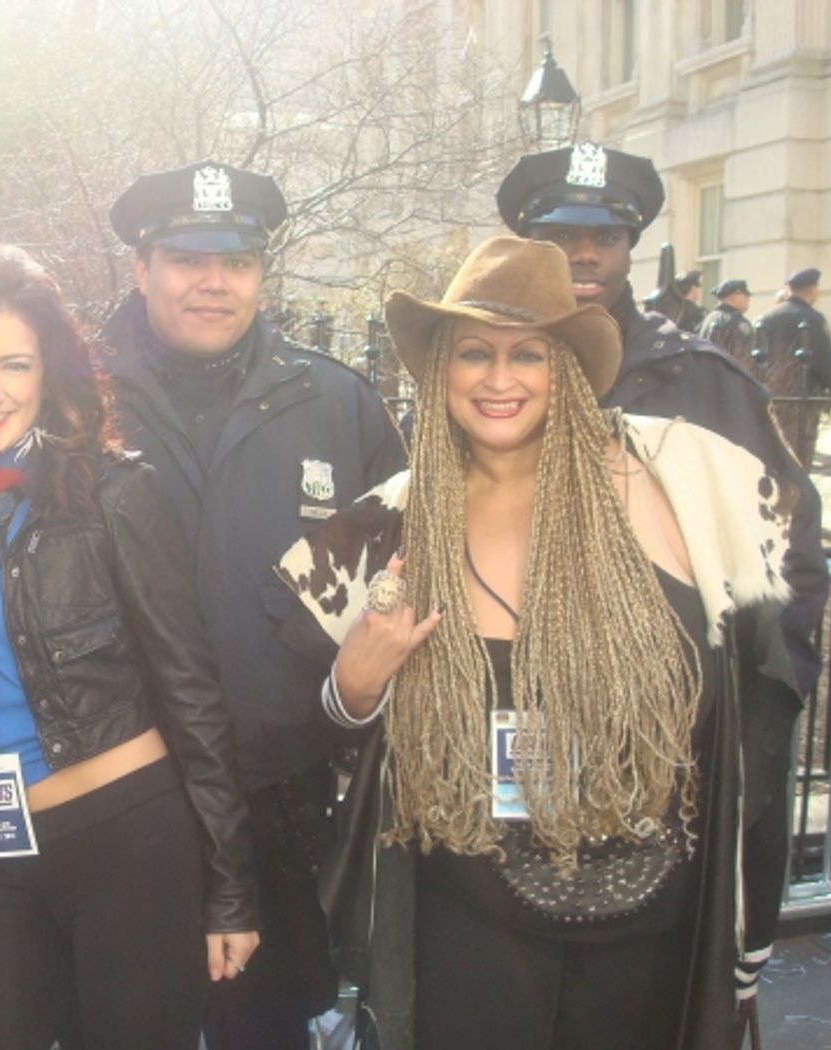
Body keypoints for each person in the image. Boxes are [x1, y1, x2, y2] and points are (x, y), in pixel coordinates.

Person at [277, 236, 797, 1049]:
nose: (498, 378)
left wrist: (751, 917)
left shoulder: (686, 483)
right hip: (468, 936)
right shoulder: (387, 526)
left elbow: (767, 698)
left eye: (528, 354)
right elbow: (325, 734)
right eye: (474, 352)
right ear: (440, 369)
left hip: (648, 931)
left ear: (567, 369)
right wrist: (356, 685)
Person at [0, 245, 258, 1050]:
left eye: (15, 364)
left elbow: (192, 693)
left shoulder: (113, 492)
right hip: (8, 852)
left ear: (49, 375)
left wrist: (229, 888)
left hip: (132, 839)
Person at [495, 153, 824, 987]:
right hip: (522, 738)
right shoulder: (480, 376)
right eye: (559, 236)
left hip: (675, 751)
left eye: (604, 235)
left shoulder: (705, 385)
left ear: (631, 246)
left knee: (651, 990)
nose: (584, 255)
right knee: (520, 969)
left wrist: (738, 712)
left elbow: (789, 568)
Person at [97, 160, 405, 1050]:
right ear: (143, 266)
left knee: (267, 1030)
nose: (213, 282)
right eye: (188, 259)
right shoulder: (81, 398)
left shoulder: (336, 401)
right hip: (123, 793)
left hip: (280, 797)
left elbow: (401, 577)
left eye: (234, 262)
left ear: (262, 272)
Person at [756, 266, 831, 467]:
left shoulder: (766, 318)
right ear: (811, 290)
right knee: (800, 451)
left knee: (772, 448)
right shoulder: (813, 318)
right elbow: (823, 359)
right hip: (802, 394)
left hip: (771, 393)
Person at [698, 278, 755, 362]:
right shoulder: (736, 322)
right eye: (745, 295)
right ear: (734, 297)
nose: (748, 299)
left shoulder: (709, 318)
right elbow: (743, 360)